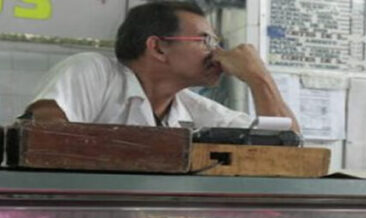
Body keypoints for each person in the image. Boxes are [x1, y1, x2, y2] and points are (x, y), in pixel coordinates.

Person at [26, 1, 298, 131]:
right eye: (205, 40)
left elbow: (289, 144)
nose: (216, 53)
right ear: (158, 47)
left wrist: (258, 78)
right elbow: (45, 134)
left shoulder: (193, 109)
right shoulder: (93, 71)